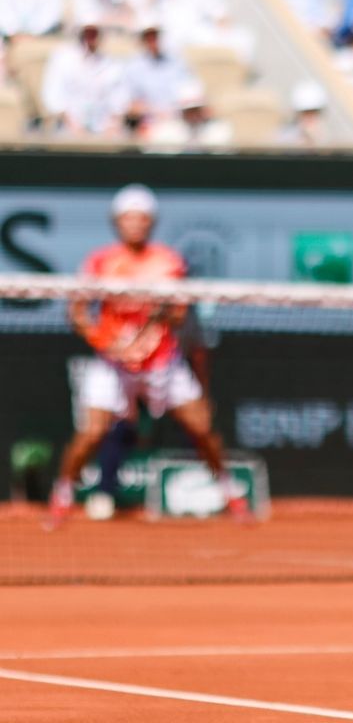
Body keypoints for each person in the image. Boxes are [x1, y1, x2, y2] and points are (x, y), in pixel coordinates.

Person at [45, 186, 249, 530]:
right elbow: (77, 311)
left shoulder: (169, 262)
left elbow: (180, 314)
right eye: (128, 218)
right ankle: (62, 495)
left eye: (142, 218)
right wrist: (107, 341)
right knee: (92, 432)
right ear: (117, 222)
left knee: (201, 427)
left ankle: (230, 491)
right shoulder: (100, 260)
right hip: (113, 363)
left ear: (151, 222)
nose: (135, 224)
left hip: (162, 363)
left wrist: (161, 316)